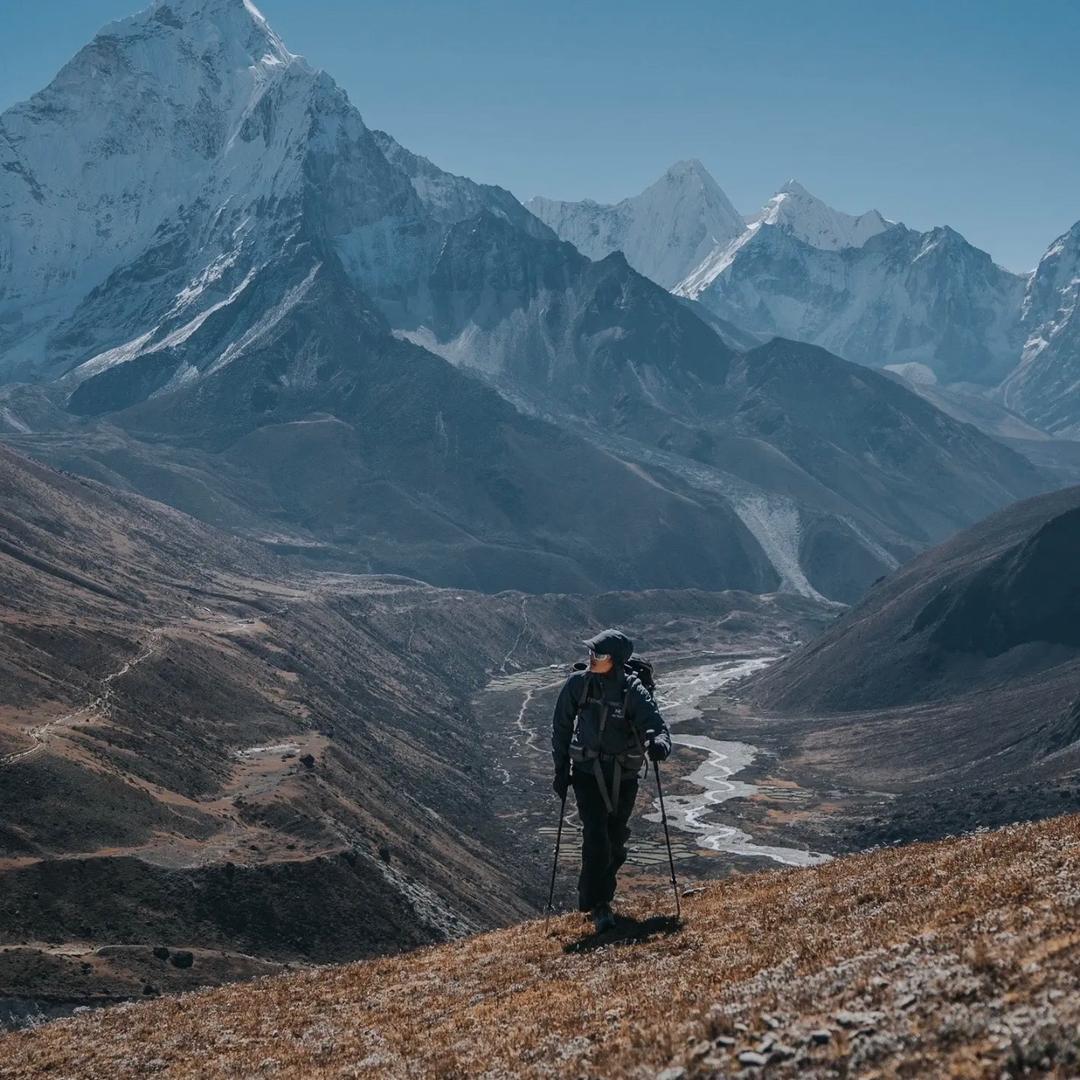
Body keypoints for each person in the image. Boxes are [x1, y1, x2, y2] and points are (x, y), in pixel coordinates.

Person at [551, 628, 672, 931]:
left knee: (615, 840)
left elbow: (656, 725)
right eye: (591, 653)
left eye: (599, 655)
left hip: (623, 776)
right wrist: (560, 771)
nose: (592, 659)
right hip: (587, 773)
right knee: (596, 837)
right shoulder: (579, 684)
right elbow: (561, 727)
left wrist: (660, 744)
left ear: (615, 661)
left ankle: (594, 897)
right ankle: (597, 905)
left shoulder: (632, 691)